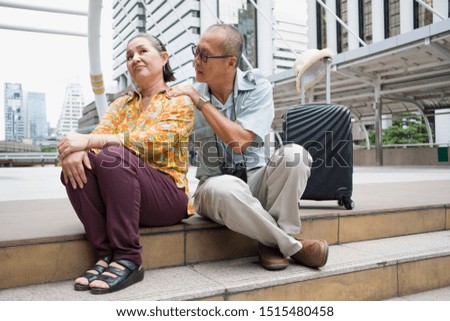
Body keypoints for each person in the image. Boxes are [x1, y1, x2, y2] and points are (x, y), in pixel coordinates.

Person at [167, 24, 328, 271]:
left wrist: (201, 104)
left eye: (204, 55)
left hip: (254, 180)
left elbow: (239, 142)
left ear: (231, 63)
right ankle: (292, 245)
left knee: (295, 155)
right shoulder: (185, 97)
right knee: (225, 187)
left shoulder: (257, 87)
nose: (196, 61)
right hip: (215, 188)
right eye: (195, 52)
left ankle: (273, 243)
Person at [57, 33, 194, 294]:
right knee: (77, 165)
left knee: (112, 154)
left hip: (166, 196)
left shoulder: (179, 100)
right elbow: (96, 139)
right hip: (125, 194)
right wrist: (73, 153)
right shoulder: (121, 104)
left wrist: (88, 141)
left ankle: (129, 258)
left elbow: (155, 141)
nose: (135, 59)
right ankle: (105, 254)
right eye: (129, 56)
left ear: (164, 58)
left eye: (142, 51)